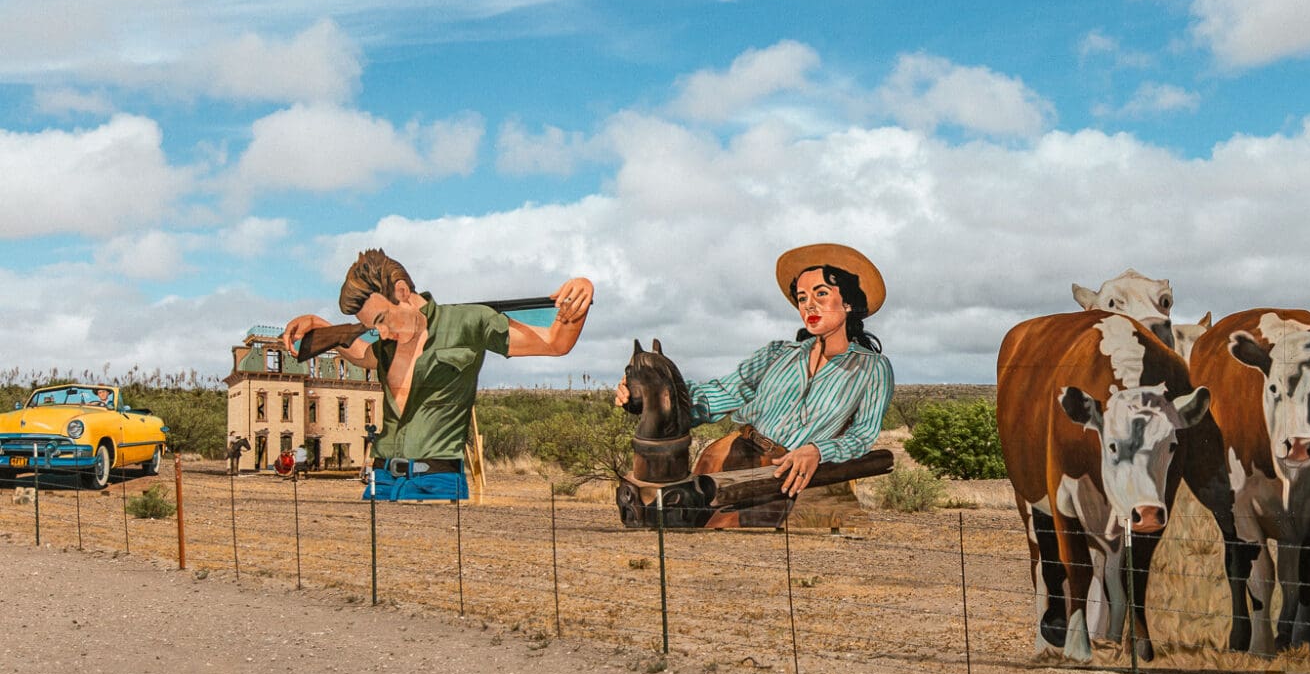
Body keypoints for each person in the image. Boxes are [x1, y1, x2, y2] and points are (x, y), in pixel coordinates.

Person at [281, 249, 596, 501]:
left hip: (438, 484)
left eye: (382, 319)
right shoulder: (385, 346)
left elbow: (554, 343)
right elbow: (362, 354)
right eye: (373, 327)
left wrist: (582, 290)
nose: (382, 332)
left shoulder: (468, 321)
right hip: (381, 481)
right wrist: (320, 326)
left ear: (402, 292)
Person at [616, 244, 893, 519]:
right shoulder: (778, 353)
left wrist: (818, 450)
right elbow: (723, 392)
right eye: (802, 297)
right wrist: (656, 395)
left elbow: (862, 435)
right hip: (727, 454)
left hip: (783, 471)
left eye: (821, 293)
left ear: (848, 302)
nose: (810, 304)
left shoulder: (872, 368)